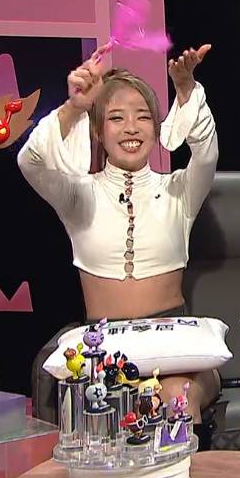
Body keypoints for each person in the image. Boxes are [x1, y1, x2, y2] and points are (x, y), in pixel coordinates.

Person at [20, 43, 221, 447]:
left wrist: (185, 91)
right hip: (103, 349)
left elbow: (206, 153)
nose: (131, 128)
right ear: (98, 131)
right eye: (116, 118)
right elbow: (31, 161)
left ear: (157, 128)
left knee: (175, 397)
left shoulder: (179, 191)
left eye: (143, 116)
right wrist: (74, 107)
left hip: (175, 350)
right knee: (95, 401)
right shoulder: (79, 195)